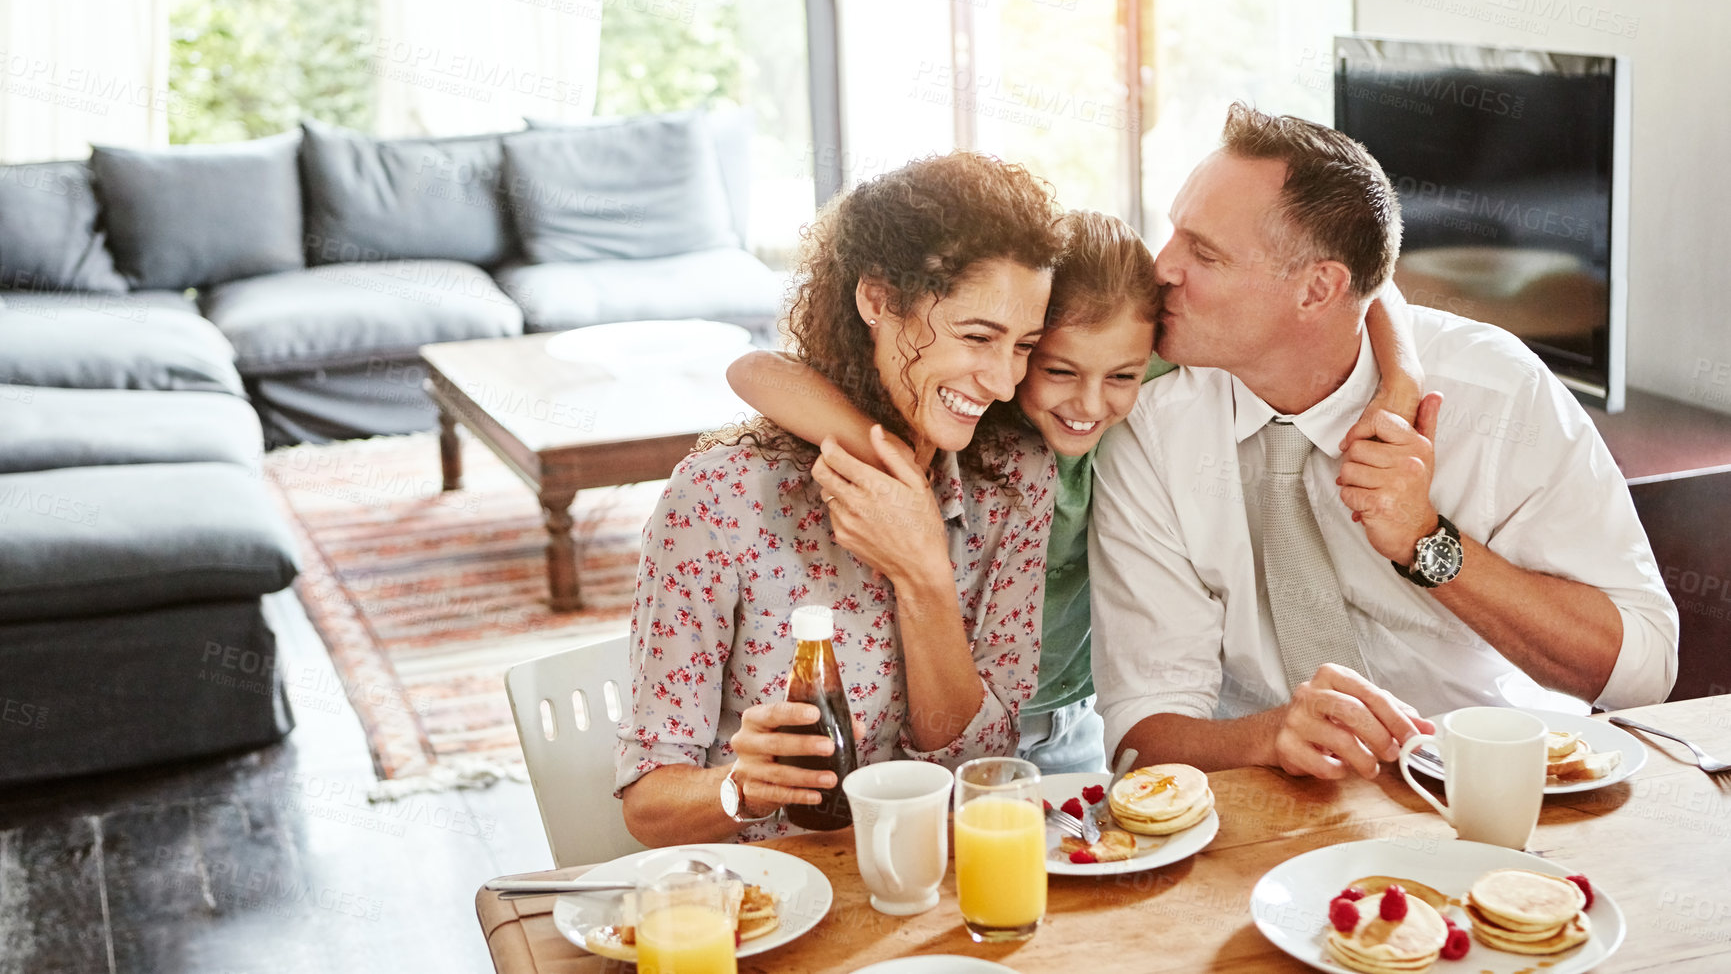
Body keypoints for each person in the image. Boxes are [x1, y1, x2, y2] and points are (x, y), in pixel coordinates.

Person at [1090, 103, 1680, 782]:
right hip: (1270, 806)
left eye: (1204, 252)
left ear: (1318, 289)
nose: (1160, 266)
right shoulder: (1149, 417)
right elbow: (1141, 731)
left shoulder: (1494, 391)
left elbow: (1642, 669)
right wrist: (1268, 735)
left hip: (1489, 787)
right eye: (1173, 235)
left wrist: (1429, 545)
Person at [730, 210, 1425, 774]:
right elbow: (754, 368)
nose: (1088, 403)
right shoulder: (977, 416)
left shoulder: (1137, 373)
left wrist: (1400, 378)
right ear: (1025, 347)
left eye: (1119, 377)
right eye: (1057, 369)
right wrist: (891, 467)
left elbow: (1367, 285)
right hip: (945, 730)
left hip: (1076, 728)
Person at [616, 151, 1064, 846]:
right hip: (773, 896)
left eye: (1023, 346)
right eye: (977, 337)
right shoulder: (720, 496)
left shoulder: (1013, 479)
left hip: (938, 880)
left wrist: (923, 574)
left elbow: (974, 766)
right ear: (878, 300)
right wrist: (743, 784)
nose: (1003, 382)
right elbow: (649, 804)